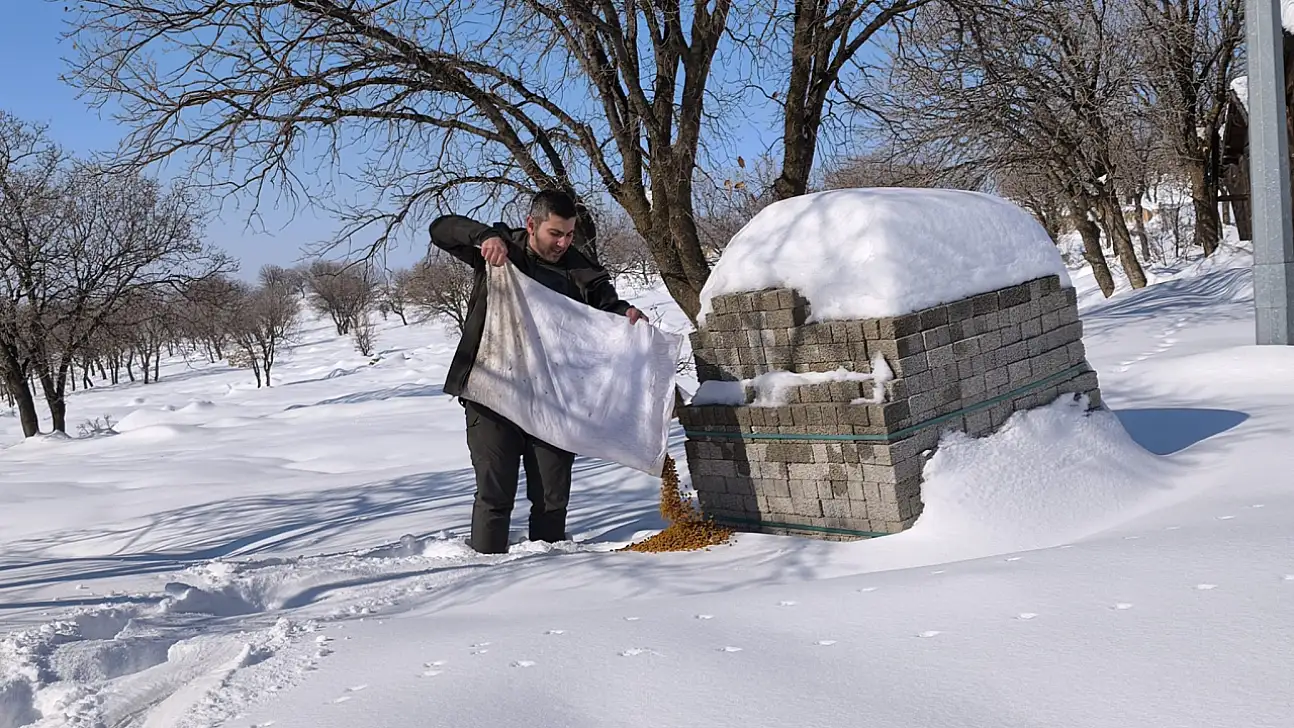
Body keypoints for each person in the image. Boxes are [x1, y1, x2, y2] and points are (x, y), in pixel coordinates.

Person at [429, 190, 649, 555]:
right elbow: (441, 229)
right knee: (495, 495)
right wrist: (486, 237)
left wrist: (626, 313)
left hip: (554, 400)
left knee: (552, 497)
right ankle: (484, 570)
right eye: (555, 233)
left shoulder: (581, 271)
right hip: (492, 391)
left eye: (569, 234)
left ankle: (549, 576)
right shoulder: (503, 252)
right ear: (531, 225)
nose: (563, 243)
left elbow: (608, 307)